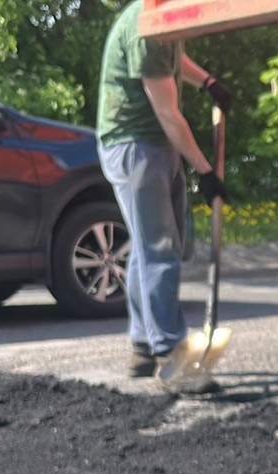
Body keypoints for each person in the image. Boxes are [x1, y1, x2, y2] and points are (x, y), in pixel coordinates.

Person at [96, 0, 233, 395]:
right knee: (159, 250)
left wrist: (206, 81)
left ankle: (142, 345)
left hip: (152, 145)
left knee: (149, 247)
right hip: (135, 146)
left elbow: (174, 59)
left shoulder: (162, 18)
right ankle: (171, 355)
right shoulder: (145, 28)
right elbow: (169, 114)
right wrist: (206, 171)